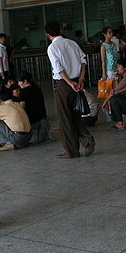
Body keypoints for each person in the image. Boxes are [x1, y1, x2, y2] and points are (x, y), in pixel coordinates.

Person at [45, 20, 95, 158]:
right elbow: (83, 61)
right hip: (77, 81)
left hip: (64, 84)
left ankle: (71, 150)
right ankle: (86, 139)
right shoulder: (72, 43)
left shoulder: (52, 48)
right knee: (75, 115)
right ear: (60, 30)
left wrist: (69, 83)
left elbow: (58, 69)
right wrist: (80, 79)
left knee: (65, 118)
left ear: (47, 34)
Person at [17, 71, 50, 144]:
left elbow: (21, 109)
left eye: (19, 82)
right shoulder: (37, 88)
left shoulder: (23, 93)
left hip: (34, 124)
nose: (18, 84)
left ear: (25, 81)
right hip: (44, 122)